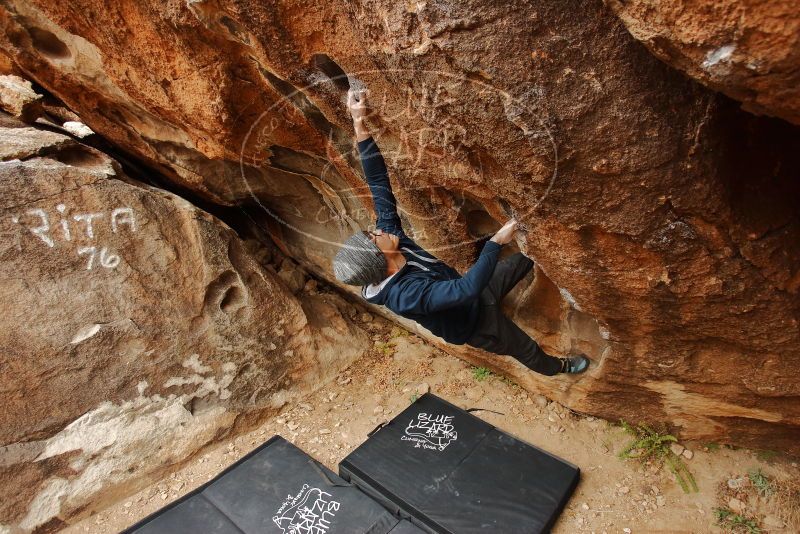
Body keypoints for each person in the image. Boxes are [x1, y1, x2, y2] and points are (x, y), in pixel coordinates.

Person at [333, 88, 589, 376]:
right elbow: (463, 292)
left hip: (473, 290)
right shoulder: (404, 296)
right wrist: (495, 242)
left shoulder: (390, 239)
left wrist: (358, 123)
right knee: (525, 349)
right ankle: (560, 367)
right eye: (373, 238)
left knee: (528, 257)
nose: (377, 231)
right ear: (381, 261)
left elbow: (379, 184)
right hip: (474, 323)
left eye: (371, 232)